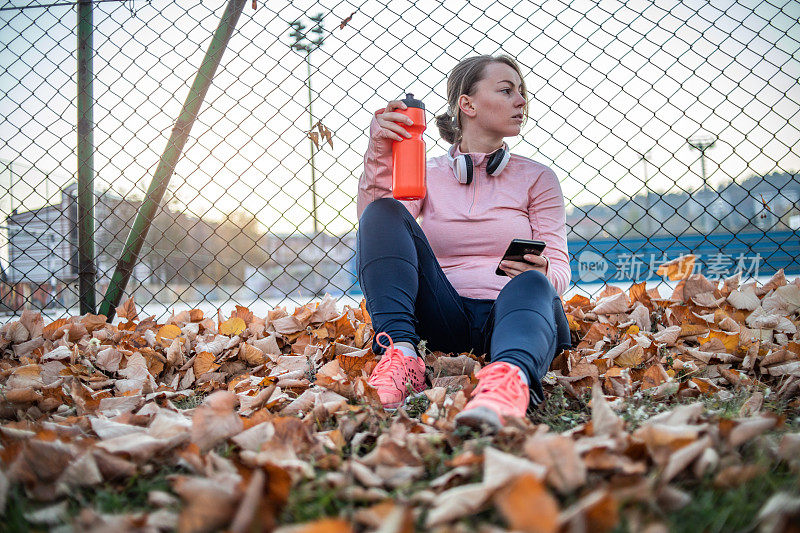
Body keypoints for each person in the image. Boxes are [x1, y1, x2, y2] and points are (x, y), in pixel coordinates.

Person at [356, 54, 571, 431]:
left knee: (534, 281)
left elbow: (560, 271)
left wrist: (545, 269)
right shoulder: (425, 172)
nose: (521, 101)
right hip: (442, 315)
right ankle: (401, 357)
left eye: (521, 92)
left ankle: (508, 383)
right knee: (382, 210)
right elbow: (381, 230)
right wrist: (379, 151)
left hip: (510, 316)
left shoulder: (539, 178)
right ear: (467, 104)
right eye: (507, 90)